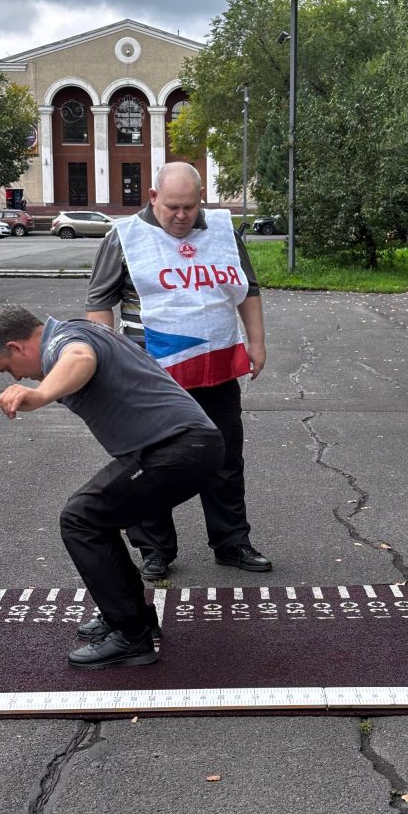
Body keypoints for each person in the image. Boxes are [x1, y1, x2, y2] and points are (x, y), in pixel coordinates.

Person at [0, 304, 225, 669]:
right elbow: (62, 351)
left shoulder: (68, 342)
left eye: (11, 367)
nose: (19, 377)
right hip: (182, 446)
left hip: (178, 449)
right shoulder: (73, 329)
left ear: (16, 346)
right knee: (94, 517)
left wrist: (41, 394)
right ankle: (134, 618)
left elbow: (79, 358)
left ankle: (131, 637)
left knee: (81, 518)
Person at [85, 161, 272, 579]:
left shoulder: (223, 231)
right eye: (172, 207)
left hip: (216, 368)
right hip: (149, 376)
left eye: (189, 207)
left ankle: (232, 542)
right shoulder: (125, 237)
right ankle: (154, 549)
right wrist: (109, 359)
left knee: (224, 458)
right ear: (153, 198)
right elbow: (99, 302)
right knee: (149, 463)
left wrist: (256, 343)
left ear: (200, 200)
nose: (181, 216)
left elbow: (249, 288)